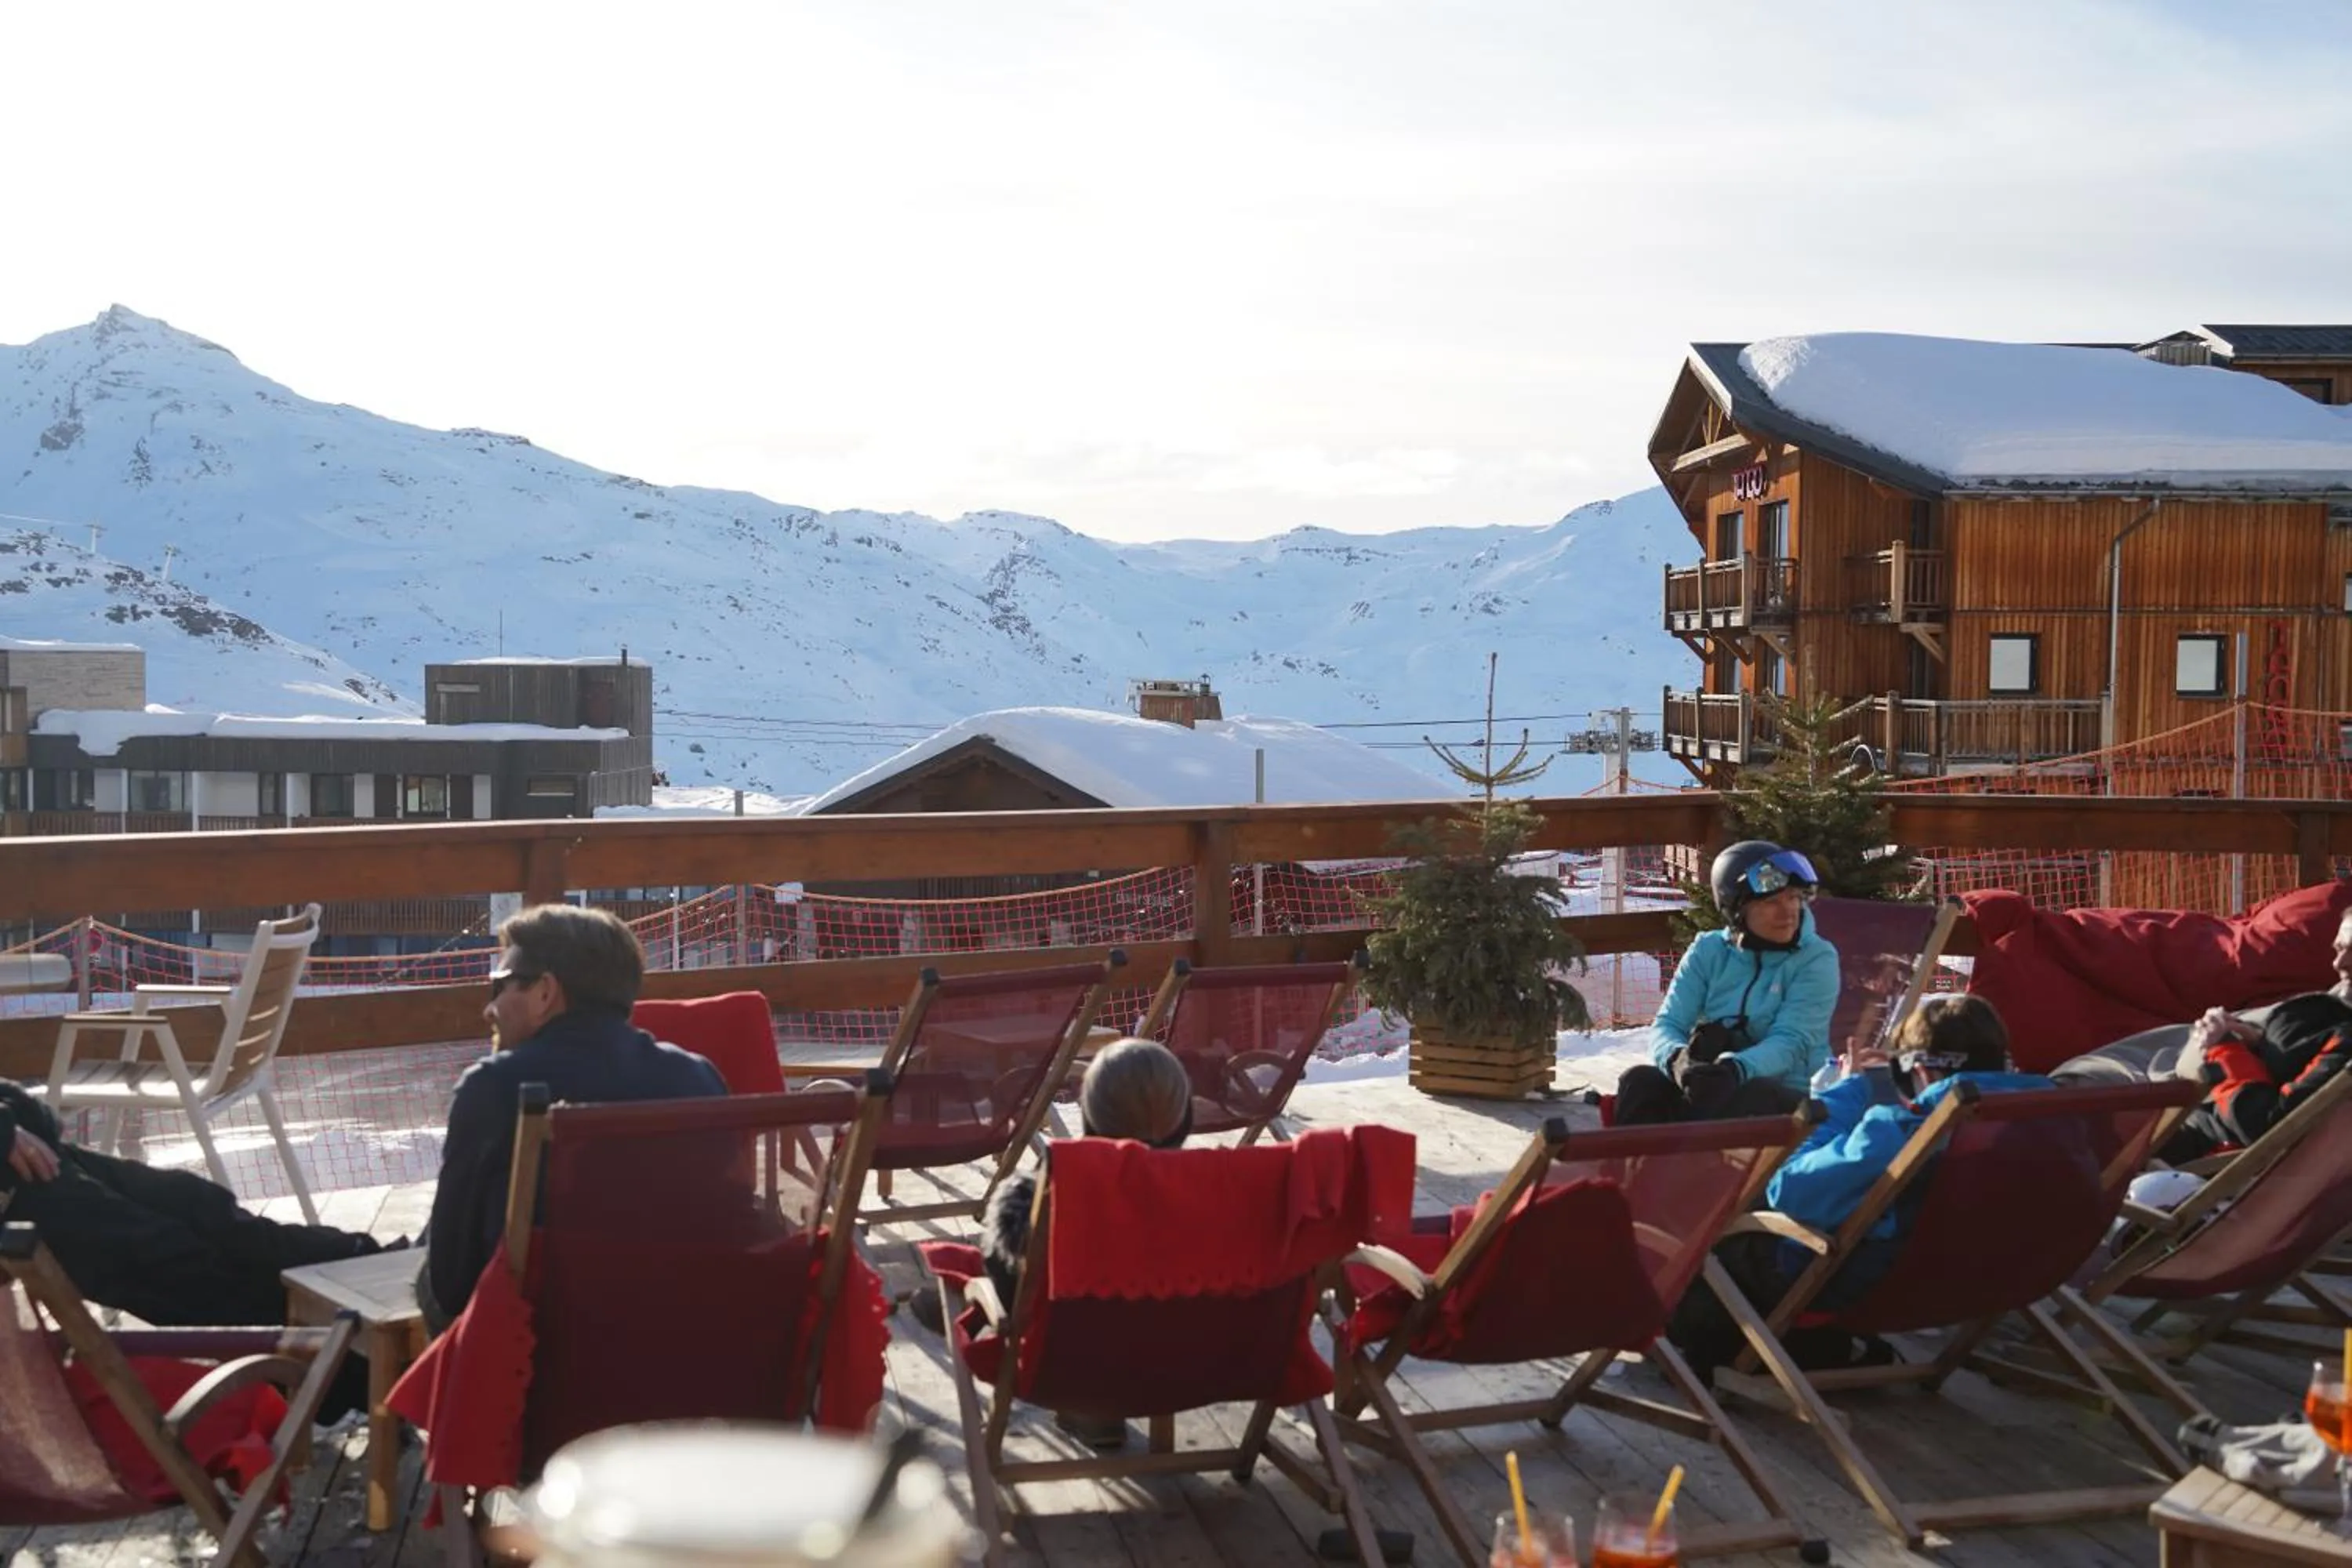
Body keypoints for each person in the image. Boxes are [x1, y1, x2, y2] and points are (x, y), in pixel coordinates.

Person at [1664, 993, 2053, 1381]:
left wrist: (1847, 1095)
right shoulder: (2043, 1112)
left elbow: (1792, 1190)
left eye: (1901, 1069)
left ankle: (1759, 1346)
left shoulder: (1910, 1126)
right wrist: (1883, 1093)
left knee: (1718, 1231)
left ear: (1922, 1072)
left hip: (1858, 1282)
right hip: (1974, 1280)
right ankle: (1828, 1347)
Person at [418, 903, 726, 1333]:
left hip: (541, 1356)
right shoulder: (698, 1078)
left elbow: (451, 1285)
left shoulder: (494, 1088)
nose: (490, 1009)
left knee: (424, 1272)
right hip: (678, 1339)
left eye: (499, 985)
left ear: (545, 992)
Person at [905, 1036, 1193, 1450]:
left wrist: (985, 1292)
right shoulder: (1214, 1192)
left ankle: (1092, 1404)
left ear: (1092, 1116)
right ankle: (1094, 1410)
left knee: (1010, 1268)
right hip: (1189, 1355)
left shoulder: (1063, 1181)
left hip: (1069, 1354)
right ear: (1183, 1116)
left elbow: (1014, 1297)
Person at [0, 1080, 387, 1327]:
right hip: (17, 1197)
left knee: (193, 1201)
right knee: (169, 1258)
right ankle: (333, 1358)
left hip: (22, 1148)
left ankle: (367, 1263)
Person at [2053, 908, 2352, 1163]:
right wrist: (2254, 1038)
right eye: (2339, 949)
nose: (2339, 964)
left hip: (2198, 1134)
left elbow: (2269, 1126)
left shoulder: (2344, 1037)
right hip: (2191, 1066)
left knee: (2067, 1123)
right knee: (2069, 1098)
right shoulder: (2332, 1011)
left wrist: (2224, 1049)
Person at [1615, 840, 1838, 1123]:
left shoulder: (1816, 958)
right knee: (1640, 1082)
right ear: (1737, 908)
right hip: (1713, 1084)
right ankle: (1637, 1153)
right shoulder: (1708, 951)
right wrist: (1678, 1061)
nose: (1789, 912)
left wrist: (1735, 1070)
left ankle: (1691, 1149)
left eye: (1794, 898)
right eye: (1772, 902)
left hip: (1790, 1095)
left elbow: (1792, 1042)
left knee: (1752, 1096)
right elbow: (1668, 1023)